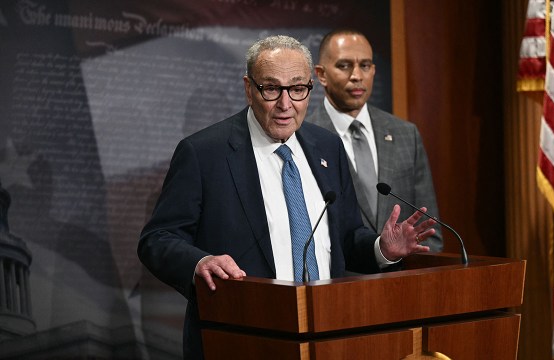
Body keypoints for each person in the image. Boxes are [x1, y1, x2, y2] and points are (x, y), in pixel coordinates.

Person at [138, 35, 435, 360]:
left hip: (327, 336)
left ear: (310, 87)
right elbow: (157, 239)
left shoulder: (327, 147)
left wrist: (382, 249)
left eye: (297, 89)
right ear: (249, 88)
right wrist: (200, 262)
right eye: (271, 89)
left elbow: (348, 239)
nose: (285, 104)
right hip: (241, 339)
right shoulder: (204, 153)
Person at [307, 29, 443, 251]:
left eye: (365, 65)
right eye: (344, 65)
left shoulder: (406, 134)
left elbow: (430, 232)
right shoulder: (305, 138)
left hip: (405, 280)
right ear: (321, 75)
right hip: (341, 281)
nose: (357, 75)